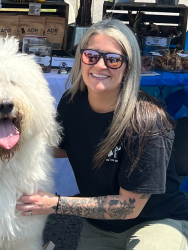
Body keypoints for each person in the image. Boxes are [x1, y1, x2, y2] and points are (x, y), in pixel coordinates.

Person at [16, 19, 188, 250]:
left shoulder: (148, 122)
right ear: (81, 59)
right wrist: (9, 140)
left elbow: (128, 206)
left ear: (129, 66)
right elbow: (59, 146)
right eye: (91, 56)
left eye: (113, 59)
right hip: (102, 226)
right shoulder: (71, 103)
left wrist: (55, 204)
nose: (100, 65)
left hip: (157, 221)